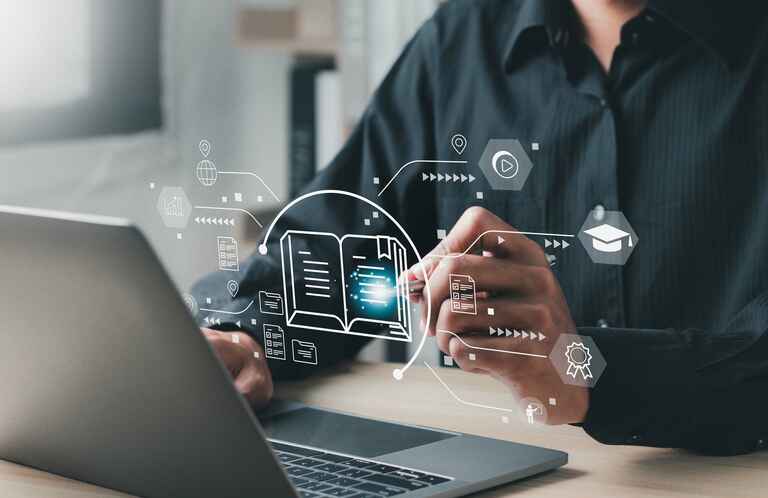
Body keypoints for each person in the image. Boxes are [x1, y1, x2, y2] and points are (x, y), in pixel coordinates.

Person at [193, 0, 768, 455]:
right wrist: (244, 336)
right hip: (510, 464)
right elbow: (341, 243)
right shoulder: (459, 40)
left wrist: (590, 371)